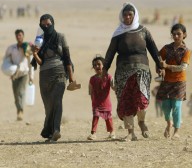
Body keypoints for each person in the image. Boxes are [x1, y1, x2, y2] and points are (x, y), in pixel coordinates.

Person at [103, 3, 162, 141]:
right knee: (125, 101)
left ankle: (141, 122)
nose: (127, 17)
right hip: (123, 73)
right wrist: (104, 70)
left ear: (135, 15)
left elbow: (153, 49)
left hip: (142, 71)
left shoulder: (143, 31)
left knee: (142, 99)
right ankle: (130, 133)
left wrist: (159, 64)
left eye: (130, 14)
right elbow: (110, 53)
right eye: (125, 15)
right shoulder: (118, 34)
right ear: (121, 16)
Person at [31, 14, 76, 142]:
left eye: (48, 24)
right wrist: (34, 53)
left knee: (57, 101)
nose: (46, 26)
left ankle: (56, 130)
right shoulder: (40, 40)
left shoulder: (61, 37)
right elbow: (40, 62)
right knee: (49, 106)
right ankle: (50, 132)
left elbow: (67, 58)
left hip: (59, 73)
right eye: (43, 25)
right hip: (44, 75)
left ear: (53, 24)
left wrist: (71, 78)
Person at [156, 23, 191, 139]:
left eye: (179, 34)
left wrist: (167, 66)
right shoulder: (167, 48)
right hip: (166, 81)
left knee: (176, 106)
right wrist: (159, 68)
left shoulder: (186, 51)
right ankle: (168, 123)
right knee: (165, 107)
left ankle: (176, 131)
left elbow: (183, 67)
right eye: (174, 34)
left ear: (184, 35)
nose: (176, 36)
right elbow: (158, 57)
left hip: (179, 81)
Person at [3, 29, 34, 121]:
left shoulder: (27, 47)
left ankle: (21, 111)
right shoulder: (11, 48)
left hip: (24, 73)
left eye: (20, 35)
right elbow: (6, 59)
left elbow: (30, 62)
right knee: (16, 94)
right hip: (14, 74)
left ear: (23, 36)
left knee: (21, 91)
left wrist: (31, 76)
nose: (18, 37)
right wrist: (9, 69)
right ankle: (18, 110)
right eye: (17, 35)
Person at [87, 55, 116, 140]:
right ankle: (93, 133)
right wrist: (92, 101)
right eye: (95, 65)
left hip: (106, 103)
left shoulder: (108, 77)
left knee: (108, 118)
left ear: (103, 65)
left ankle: (112, 132)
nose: (97, 66)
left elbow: (114, 87)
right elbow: (90, 91)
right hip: (96, 103)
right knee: (95, 117)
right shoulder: (92, 79)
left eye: (99, 64)